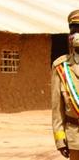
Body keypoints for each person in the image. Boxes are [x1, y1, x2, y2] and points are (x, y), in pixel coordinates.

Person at [52, 9, 79, 159]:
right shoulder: (61, 67)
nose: (77, 34)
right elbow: (57, 109)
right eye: (74, 30)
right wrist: (60, 139)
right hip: (74, 137)